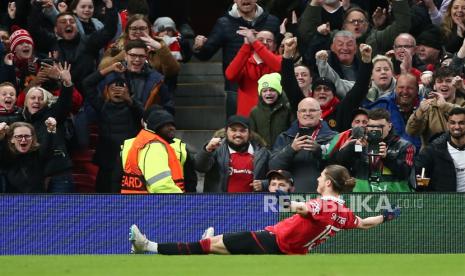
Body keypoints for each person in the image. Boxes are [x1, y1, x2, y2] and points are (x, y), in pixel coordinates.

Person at [128, 164, 401, 255]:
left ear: (328, 182)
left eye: (320, 176)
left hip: (274, 242)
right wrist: (387, 216)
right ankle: (206, 243)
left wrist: (277, 195)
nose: (317, 179)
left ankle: (148, 246)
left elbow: (300, 207)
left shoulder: (323, 204)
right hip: (286, 248)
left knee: (210, 244)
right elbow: (365, 223)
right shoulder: (345, 212)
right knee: (215, 245)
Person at [193, 0, 279, 118]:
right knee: (237, 129)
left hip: (271, 85)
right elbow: (206, 54)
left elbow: (279, 52)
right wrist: (199, 48)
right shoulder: (224, 23)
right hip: (236, 86)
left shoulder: (272, 21)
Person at [82, 62, 144, 193]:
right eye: (113, 88)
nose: (117, 91)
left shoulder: (134, 107)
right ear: (107, 90)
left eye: (121, 88)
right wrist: (109, 69)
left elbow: (146, 117)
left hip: (129, 163)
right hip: (106, 162)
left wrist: (129, 100)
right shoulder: (102, 106)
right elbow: (87, 83)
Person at [335, 108, 415, 192]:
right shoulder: (360, 143)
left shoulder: (404, 145)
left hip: (394, 198)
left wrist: (387, 157)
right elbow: (340, 164)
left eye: (380, 126)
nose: (375, 129)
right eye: (372, 126)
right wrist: (354, 148)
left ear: (389, 126)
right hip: (362, 198)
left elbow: (406, 173)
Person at [270, 97, 337, 192]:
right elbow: (273, 166)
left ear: (320, 113)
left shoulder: (333, 137)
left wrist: (320, 151)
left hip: (323, 197)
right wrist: (291, 149)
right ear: (298, 114)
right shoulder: (285, 137)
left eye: (312, 110)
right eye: (303, 111)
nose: (307, 113)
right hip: (292, 198)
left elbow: (339, 167)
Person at [118, 108, 188, 193]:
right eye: (166, 125)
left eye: (172, 124)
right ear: (156, 127)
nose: (172, 128)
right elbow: (160, 185)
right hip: (154, 203)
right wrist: (183, 201)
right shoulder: (155, 146)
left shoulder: (145, 142)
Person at [194, 115, 270, 193]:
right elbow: (200, 167)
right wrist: (208, 150)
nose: (238, 134)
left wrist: (264, 184)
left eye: (242, 131)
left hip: (252, 204)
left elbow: (277, 178)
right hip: (220, 203)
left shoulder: (262, 153)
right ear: (226, 132)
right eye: (233, 130)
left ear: (249, 133)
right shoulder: (216, 149)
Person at [225, 28, 282, 116]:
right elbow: (230, 75)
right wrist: (247, 44)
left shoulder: (279, 59)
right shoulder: (244, 61)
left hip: (272, 116)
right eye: (260, 40)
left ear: (274, 46)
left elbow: (278, 67)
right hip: (246, 117)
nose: (265, 42)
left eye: (269, 40)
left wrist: (255, 41)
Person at [406, 67, 465, 149]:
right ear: (434, 86)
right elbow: (411, 131)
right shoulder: (427, 106)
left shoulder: (463, 103)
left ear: (456, 84)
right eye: (439, 81)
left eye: (448, 81)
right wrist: (419, 112)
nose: (444, 84)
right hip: (433, 157)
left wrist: (445, 106)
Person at [0, 117, 58, 193]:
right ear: (12, 139)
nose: (23, 139)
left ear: (32, 138)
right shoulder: (6, 155)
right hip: (12, 201)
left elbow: (49, 145)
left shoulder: (39, 154)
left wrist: (51, 130)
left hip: (36, 200)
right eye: (19, 136)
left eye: (27, 136)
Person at [367, 73, 422, 151]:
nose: (405, 91)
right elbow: (370, 138)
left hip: (420, 158)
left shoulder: (426, 108)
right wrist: (358, 149)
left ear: (417, 90)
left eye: (410, 88)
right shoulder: (383, 105)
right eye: (401, 87)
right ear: (395, 88)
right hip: (389, 157)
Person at [415, 107, 465, 192]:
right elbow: (419, 178)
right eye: (452, 123)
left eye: (461, 123)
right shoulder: (432, 151)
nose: (457, 127)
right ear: (447, 125)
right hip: (444, 203)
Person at [249, 72, 292, 148]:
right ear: (260, 93)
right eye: (264, 91)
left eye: (272, 90)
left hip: (283, 151)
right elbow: (252, 135)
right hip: (262, 152)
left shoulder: (287, 109)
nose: (268, 93)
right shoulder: (255, 112)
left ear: (279, 92)